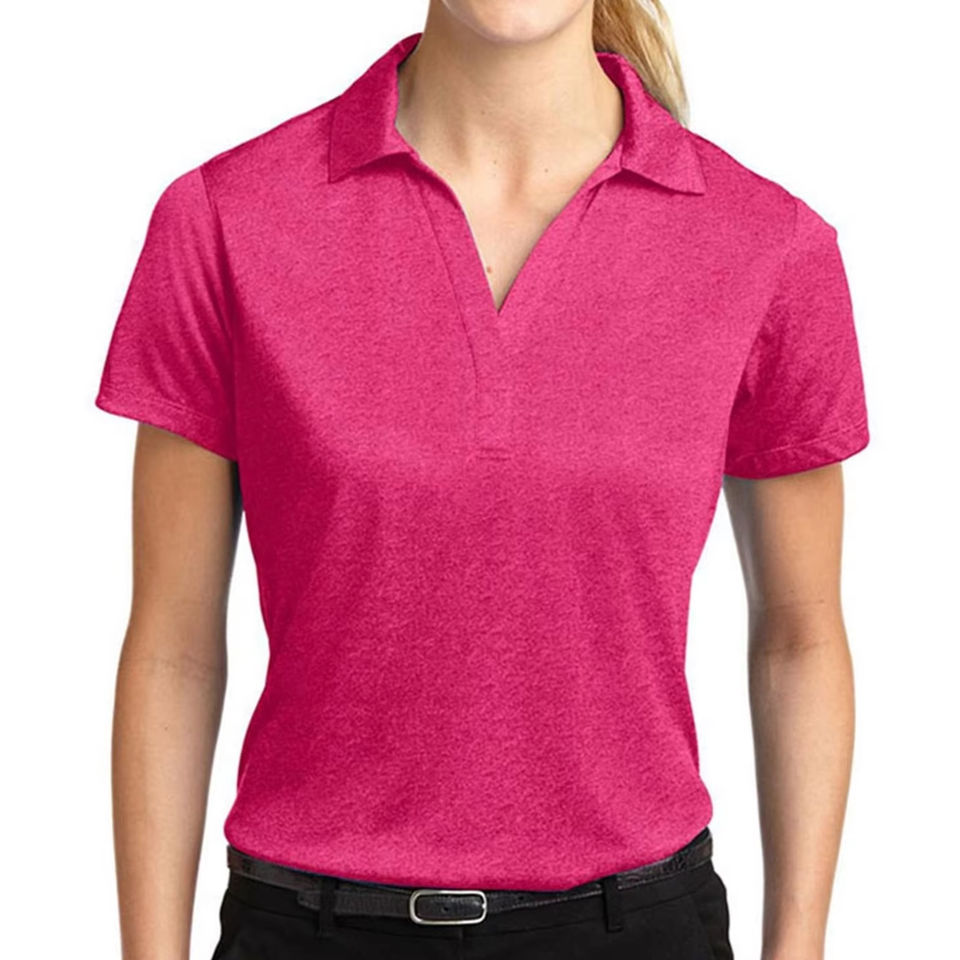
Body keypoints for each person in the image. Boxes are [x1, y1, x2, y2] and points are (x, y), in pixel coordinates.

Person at [94, 2, 870, 958]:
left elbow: (800, 636)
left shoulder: (767, 244)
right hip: (307, 929)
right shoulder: (227, 218)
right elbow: (172, 645)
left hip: (637, 931)